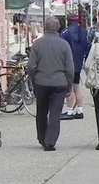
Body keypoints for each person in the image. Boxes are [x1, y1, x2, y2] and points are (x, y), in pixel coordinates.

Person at [27, 16, 73, 151]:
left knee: (41, 111)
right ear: (58, 27)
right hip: (59, 83)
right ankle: (50, 141)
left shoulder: (37, 44)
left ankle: (42, 137)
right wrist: (69, 84)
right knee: (55, 113)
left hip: (41, 82)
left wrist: (34, 80)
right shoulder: (64, 44)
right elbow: (69, 68)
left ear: (45, 27)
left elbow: (31, 66)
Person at [60, 13, 89, 120]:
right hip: (78, 62)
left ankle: (69, 110)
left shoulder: (65, 32)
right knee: (77, 85)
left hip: (67, 63)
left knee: (69, 87)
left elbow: (62, 48)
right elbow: (87, 47)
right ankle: (79, 110)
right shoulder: (83, 32)